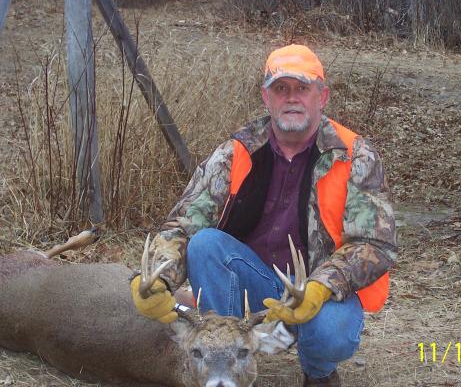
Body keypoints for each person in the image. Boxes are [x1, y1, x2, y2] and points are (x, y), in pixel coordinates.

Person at [130, 44, 397, 386]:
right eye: (281, 89)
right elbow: (183, 225)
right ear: (266, 98)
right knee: (205, 244)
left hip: (318, 297)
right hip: (253, 284)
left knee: (333, 332)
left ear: (323, 96)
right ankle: (225, 358)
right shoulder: (238, 150)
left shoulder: (355, 156)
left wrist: (321, 286)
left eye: (303, 88)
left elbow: (376, 244)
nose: (292, 98)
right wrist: (157, 278)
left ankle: (318, 373)